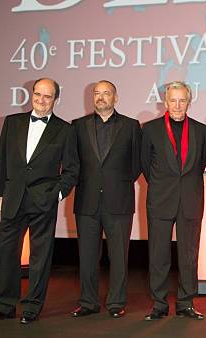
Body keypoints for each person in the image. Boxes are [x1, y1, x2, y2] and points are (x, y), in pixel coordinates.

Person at [0, 78, 79, 324]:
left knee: (40, 256)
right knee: (6, 253)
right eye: (38, 95)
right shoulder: (12, 123)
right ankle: (5, 305)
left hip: (43, 201)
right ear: (32, 95)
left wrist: (56, 193)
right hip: (13, 199)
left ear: (55, 99)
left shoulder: (65, 129)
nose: (41, 100)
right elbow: (1, 160)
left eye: (47, 96)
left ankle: (32, 306)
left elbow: (72, 169)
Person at [70, 80, 142, 319]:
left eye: (106, 93)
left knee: (119, 256)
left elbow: (136, 164)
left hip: (119, 200)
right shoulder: (77, 126)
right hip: (86, 201)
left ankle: (116, 302)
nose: (101, 97)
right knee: (87, 255)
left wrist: (117, 183)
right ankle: (88, 302)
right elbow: (74, 163)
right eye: (97, 93)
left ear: (116, 98)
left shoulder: (131, 126)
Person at [141, 81, 206, 321]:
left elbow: (199, 164)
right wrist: (163, 185)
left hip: (190, 198)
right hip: (161, 198)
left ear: (188, 102)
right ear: (165, 102)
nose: (178, 105)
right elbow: (146, 166)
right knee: (158, 254)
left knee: (189, 253)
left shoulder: (202, 130)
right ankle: (159, 304)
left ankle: (186, 302)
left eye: (182, 100)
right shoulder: (149, 129)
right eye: (173, 100)